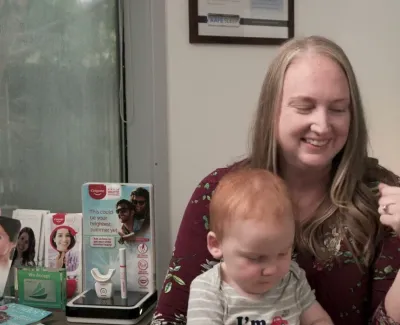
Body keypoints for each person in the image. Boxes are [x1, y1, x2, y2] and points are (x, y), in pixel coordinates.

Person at [151, 35, 400, 325]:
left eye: (338, 108)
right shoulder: (219, 192)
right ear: (272, 111)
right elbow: (169, 317)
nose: (322, 125)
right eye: (305, 107)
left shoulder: (382, 198)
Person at [187, 169, 333, 325]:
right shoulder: (208, 290)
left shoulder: (292, 278)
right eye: (256, 258)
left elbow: (317, 320)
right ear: (216, 245)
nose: (271, 270)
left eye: (283, 254)